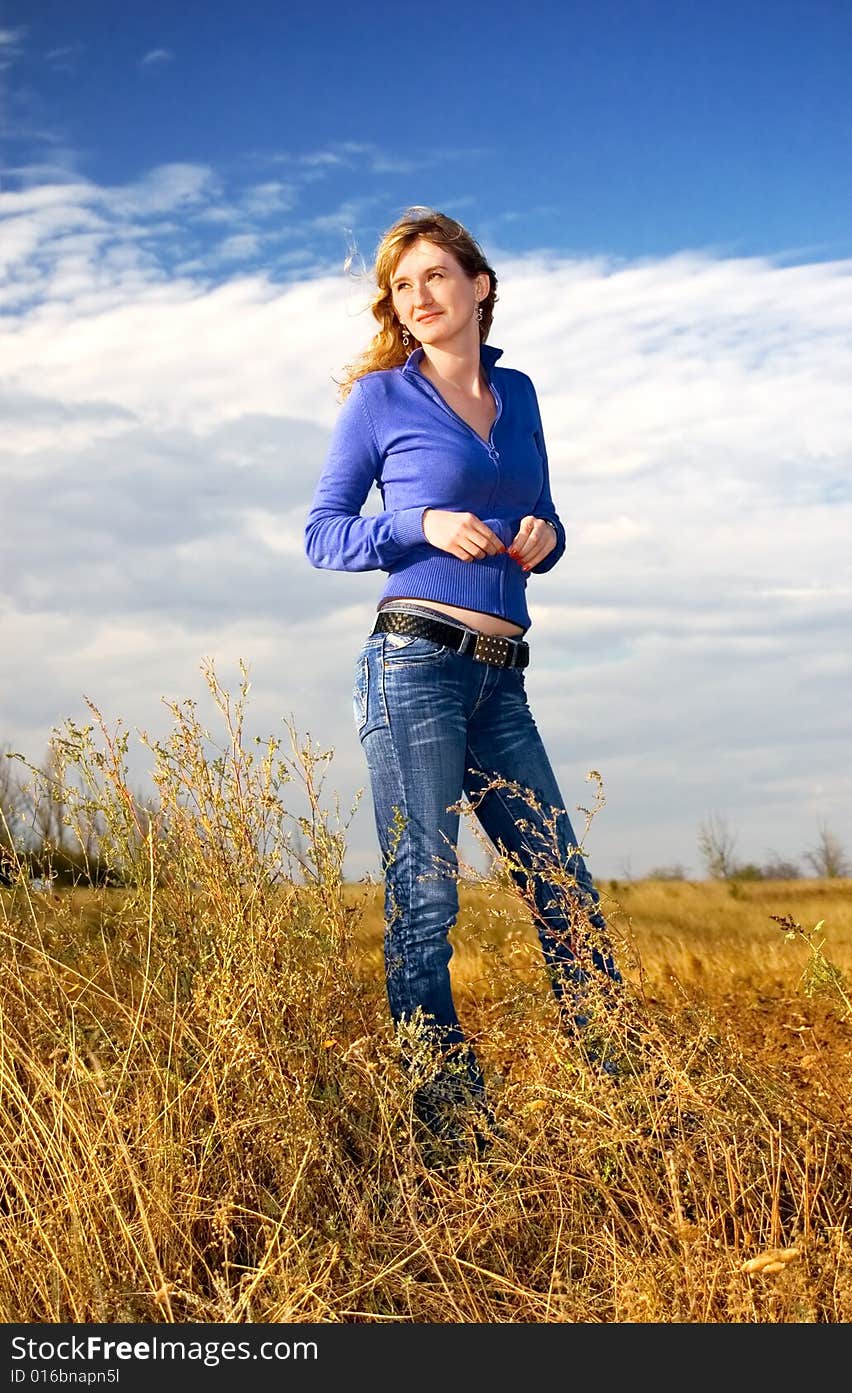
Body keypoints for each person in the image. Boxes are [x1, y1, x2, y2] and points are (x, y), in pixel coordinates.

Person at [304, 207, 623, 1155]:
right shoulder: (379, 402)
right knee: (427, 895)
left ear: (479, 286)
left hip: (503, 681)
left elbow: (550, 517)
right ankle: (448, 1123)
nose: (419, 297)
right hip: (414, 665)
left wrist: (544, 539)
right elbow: (323, 534)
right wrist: (421, 526)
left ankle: (628, 1092)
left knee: (563, 889)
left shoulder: (518, 393)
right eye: (403, 286)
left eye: (435, 277)